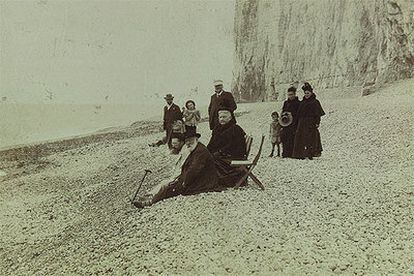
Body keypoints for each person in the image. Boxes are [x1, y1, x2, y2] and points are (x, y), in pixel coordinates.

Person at [133, 130, 220, 208]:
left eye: (191, 141)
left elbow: (194, 170)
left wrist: (183, 182)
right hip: (199, 178)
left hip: (204, 182)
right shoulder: (196, 149)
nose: (188, 143)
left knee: (170, 188)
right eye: (186, 141)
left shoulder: (200, 152)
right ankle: (148, 199)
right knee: (169, 186)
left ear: (196, 140)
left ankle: (149, 202)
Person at [207, 107, 247, 187]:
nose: (222, 119)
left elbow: (235, 147)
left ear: (230, 118)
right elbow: (212, 143)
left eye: (224, 117)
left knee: (211, 161)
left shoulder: (235, 129)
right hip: (222, 155)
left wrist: (220, 152)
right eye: (220, 117)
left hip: (232, 157)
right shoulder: (217, 128)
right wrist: (206, 151)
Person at [293, 82, 325, 160]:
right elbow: (299, 114)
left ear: (311, 93)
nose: (306, 95)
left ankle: (311, 153)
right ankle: (301, 154)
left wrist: (317, 122)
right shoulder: (302, 102)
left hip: (311, 122)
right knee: (301, 138)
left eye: (308, 93)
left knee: (311, 138)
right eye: (305, 93)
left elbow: (318, 114)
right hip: (302, 123)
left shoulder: (315, 102)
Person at [280, 86, 301, 158]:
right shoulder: (286, 103)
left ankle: (292, 153)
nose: (290, 96)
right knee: (284, 137)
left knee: (292, 138)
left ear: (295, 94)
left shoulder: (298, 103)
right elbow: (282, 112)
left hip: (294, 124)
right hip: (286, 123)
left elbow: (299, 114)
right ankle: (285, 153)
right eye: (289, 95)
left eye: (291, 94)